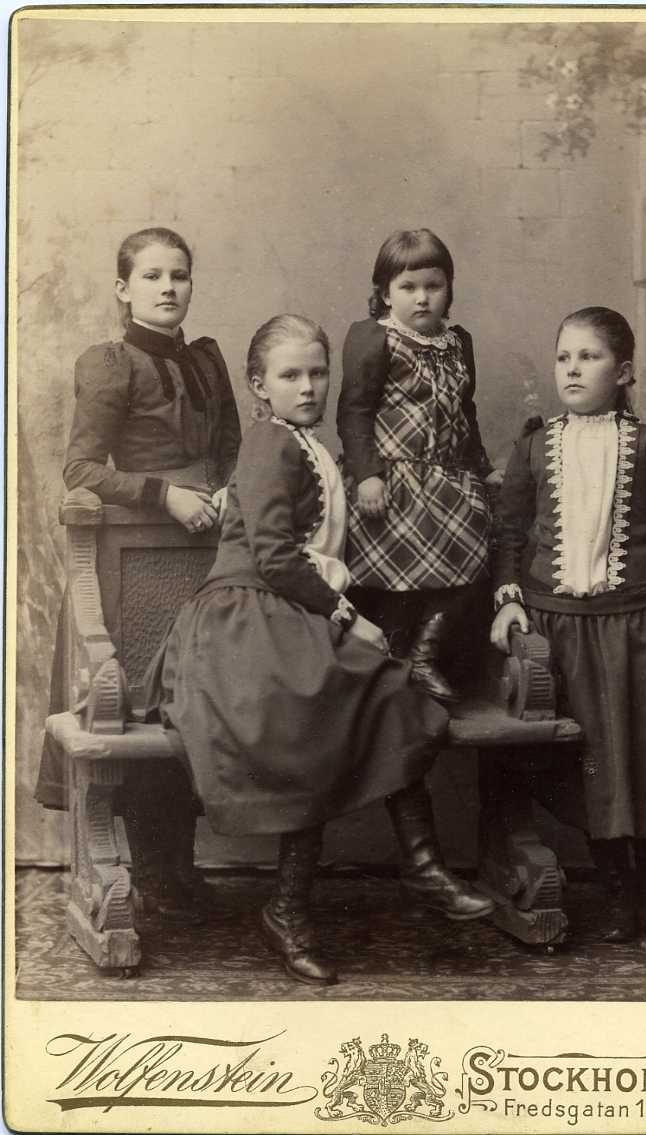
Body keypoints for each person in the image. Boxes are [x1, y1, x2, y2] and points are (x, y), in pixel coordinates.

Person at [145, 313, 494, 986]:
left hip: (281, 614)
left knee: (386, 691)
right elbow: (274, 556)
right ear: (259, 385)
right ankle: (296, 906)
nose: (307, 387)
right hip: (241, 621)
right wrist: (343, 615)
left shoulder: (308, 445)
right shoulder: (269, 443)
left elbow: (319, 555)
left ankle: (418, 867)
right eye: (290, 375)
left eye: (317, 372)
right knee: (323, 709)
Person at [490, 307, 646, 942]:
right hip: (561, 630)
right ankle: (616, 892)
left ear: (622, 372)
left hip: (635, 629)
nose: (572, 368)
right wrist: (509, 600)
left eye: (588, 357)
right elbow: (510, 531)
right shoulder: (535, 444)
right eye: (563, 357)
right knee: (592, 766)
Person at [35, 226, 242, 924]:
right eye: (151, 276)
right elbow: (81, 468)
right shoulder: (112, 363)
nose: (167, 288)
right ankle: (144, 872)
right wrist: (164, 495)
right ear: (124, 288)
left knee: (195, 703)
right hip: (134, 563)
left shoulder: (206, 360)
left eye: (178, 275)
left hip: (205, 555)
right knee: (140, 708)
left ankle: (178, 869)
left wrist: (225, 490)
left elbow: (230, 451)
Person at [337, 229, 499, 704]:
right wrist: (367, 474)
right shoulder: (374, 338)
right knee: (396, 575)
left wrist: (482, 466)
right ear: (386, 293)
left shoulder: (457, 343)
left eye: (433, 286)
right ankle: (392, 660)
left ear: (449, 289)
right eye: (408, 287)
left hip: (448, 477)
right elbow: (354, 412)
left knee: (473, 555)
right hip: (392, 478)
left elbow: (464, 412)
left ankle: (423, 656)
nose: (422, 298)